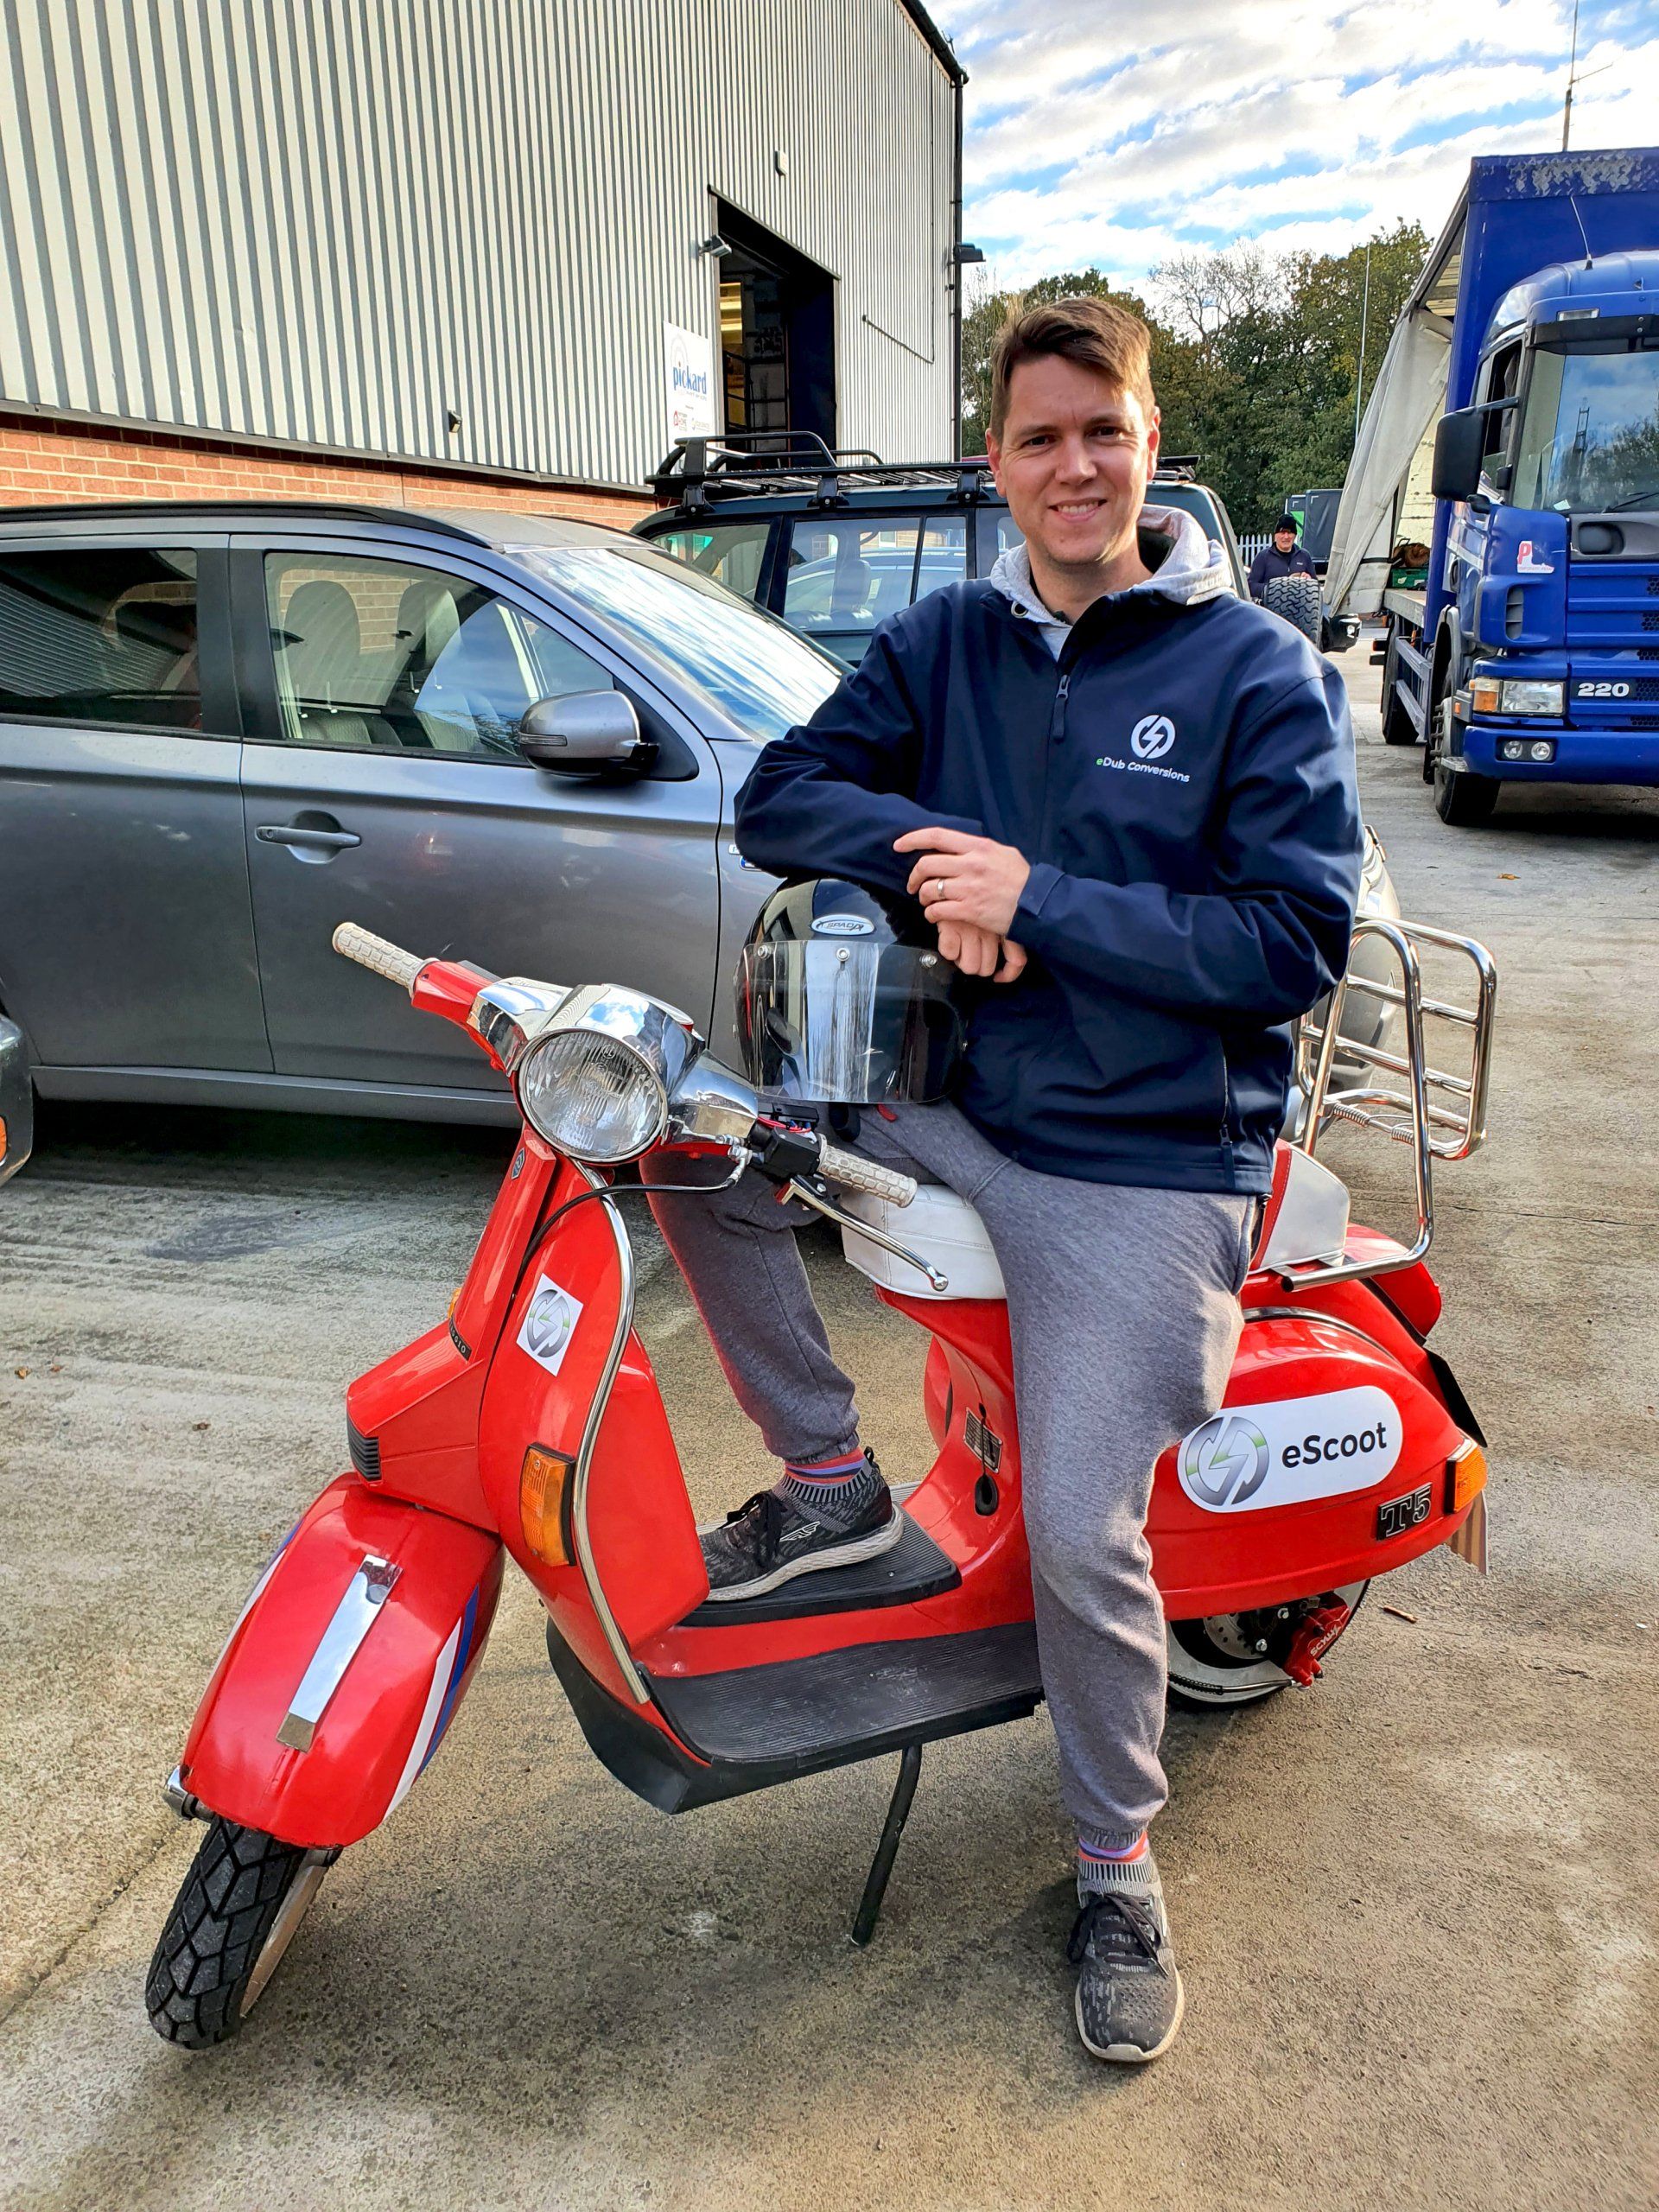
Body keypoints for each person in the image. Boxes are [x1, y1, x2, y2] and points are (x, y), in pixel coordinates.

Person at [643, 296, 1361, 2063]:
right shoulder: (945, 639)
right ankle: (827, 1475)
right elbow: (787, 794)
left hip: (1140, 1159)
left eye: (1100, 430)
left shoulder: (1250, 668)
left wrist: (1039, 898)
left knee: (1076, 1531)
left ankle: (1116, 1860)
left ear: (1148, 437)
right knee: (686, 1137)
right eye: (1038, 438)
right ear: (999, 463)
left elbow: (1294, 936)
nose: (1072, 466)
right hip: (951, 1100)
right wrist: (941, 871)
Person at [1248, 513, 1318, 600]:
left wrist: (1309, 581)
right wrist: (1276, 588)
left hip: (1299, 609)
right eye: (1282, 532)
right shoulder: (1263, 557)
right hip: (1271, 610)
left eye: (1290, 532)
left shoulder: (1304, 555)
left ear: (1295, 535)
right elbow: (1251, 586)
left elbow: (1316, 587)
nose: (1286, 537)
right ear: (1276, 535)